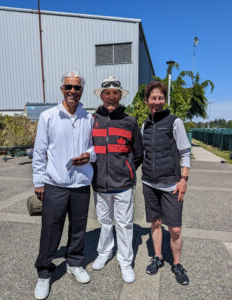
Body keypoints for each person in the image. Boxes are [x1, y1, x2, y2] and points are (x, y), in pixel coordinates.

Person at [32, 71, 96, 299]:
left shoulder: (88, 118)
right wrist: (39, 181)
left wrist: (89, 155)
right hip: (55, 183)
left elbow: (94, 147)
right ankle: (44, 273)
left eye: (77, 88)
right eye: (68, 87)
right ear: (62, 89)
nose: (72, 91)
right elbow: (39, 152)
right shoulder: (48, 116)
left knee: (78, 228)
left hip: (80, 184)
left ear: (82, 91)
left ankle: (74, 263)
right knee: (51, 229)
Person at [91, 76, 143, 283]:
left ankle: (125, 261)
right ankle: (104, 253)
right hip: (100, 184)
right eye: (107, 93)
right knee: (104, 222)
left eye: (115, 93)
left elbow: (138, 153)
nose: (111, 97)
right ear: (102, 96)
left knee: (124, 224)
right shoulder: (92, 120)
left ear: (120, 96)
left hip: (122, 185)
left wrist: (127, 170)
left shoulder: (130, 121)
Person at [142, 81, 191, 285]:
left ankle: (177, 263)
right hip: (149, 183)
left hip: (171, 184)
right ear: (147, 101)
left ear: (164, 99)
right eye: (153, 98)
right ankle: (158, 258)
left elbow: (185, 152)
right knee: (155, 223)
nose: (157, 101)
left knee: (175, 229)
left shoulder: (174, 122)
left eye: (160, 97)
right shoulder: (144, 124)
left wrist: (183, 179)